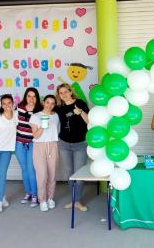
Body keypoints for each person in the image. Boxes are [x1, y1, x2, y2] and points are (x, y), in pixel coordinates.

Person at [55, 83, 89, 211]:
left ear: (70, 92)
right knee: (70, 174)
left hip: (80, 144)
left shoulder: (80, 103)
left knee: (78, 174)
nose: (63, 94)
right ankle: (74, 199)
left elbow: (89, 121)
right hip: (64, 144)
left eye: (65, 92)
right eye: (60, 93)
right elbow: (44, 110)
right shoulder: (59, 108)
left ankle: (78, 201)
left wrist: (80, 112)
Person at [29, 95, 60, 212]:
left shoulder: (56, 116)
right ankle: (42, 200)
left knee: (52, 175)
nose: (49, 105)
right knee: (42, 176)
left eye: (52, 103)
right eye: (47, 102)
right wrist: (43, 126)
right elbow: (35, 135)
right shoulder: (35, 116)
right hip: (39, 146)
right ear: (43, 102)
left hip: (53, 145)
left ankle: (50, 198)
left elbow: (57, 131)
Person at [15, 87, 42, 207]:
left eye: (34, 96)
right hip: (19, 143)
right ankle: (28, 193)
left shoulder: (40, 110)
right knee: (24, 169)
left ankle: (35, 195)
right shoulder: (19, 107)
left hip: (33, 143)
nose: (31, 99)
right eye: (29, 96)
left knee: (31, 169)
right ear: (25, 97)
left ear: (37, 98)